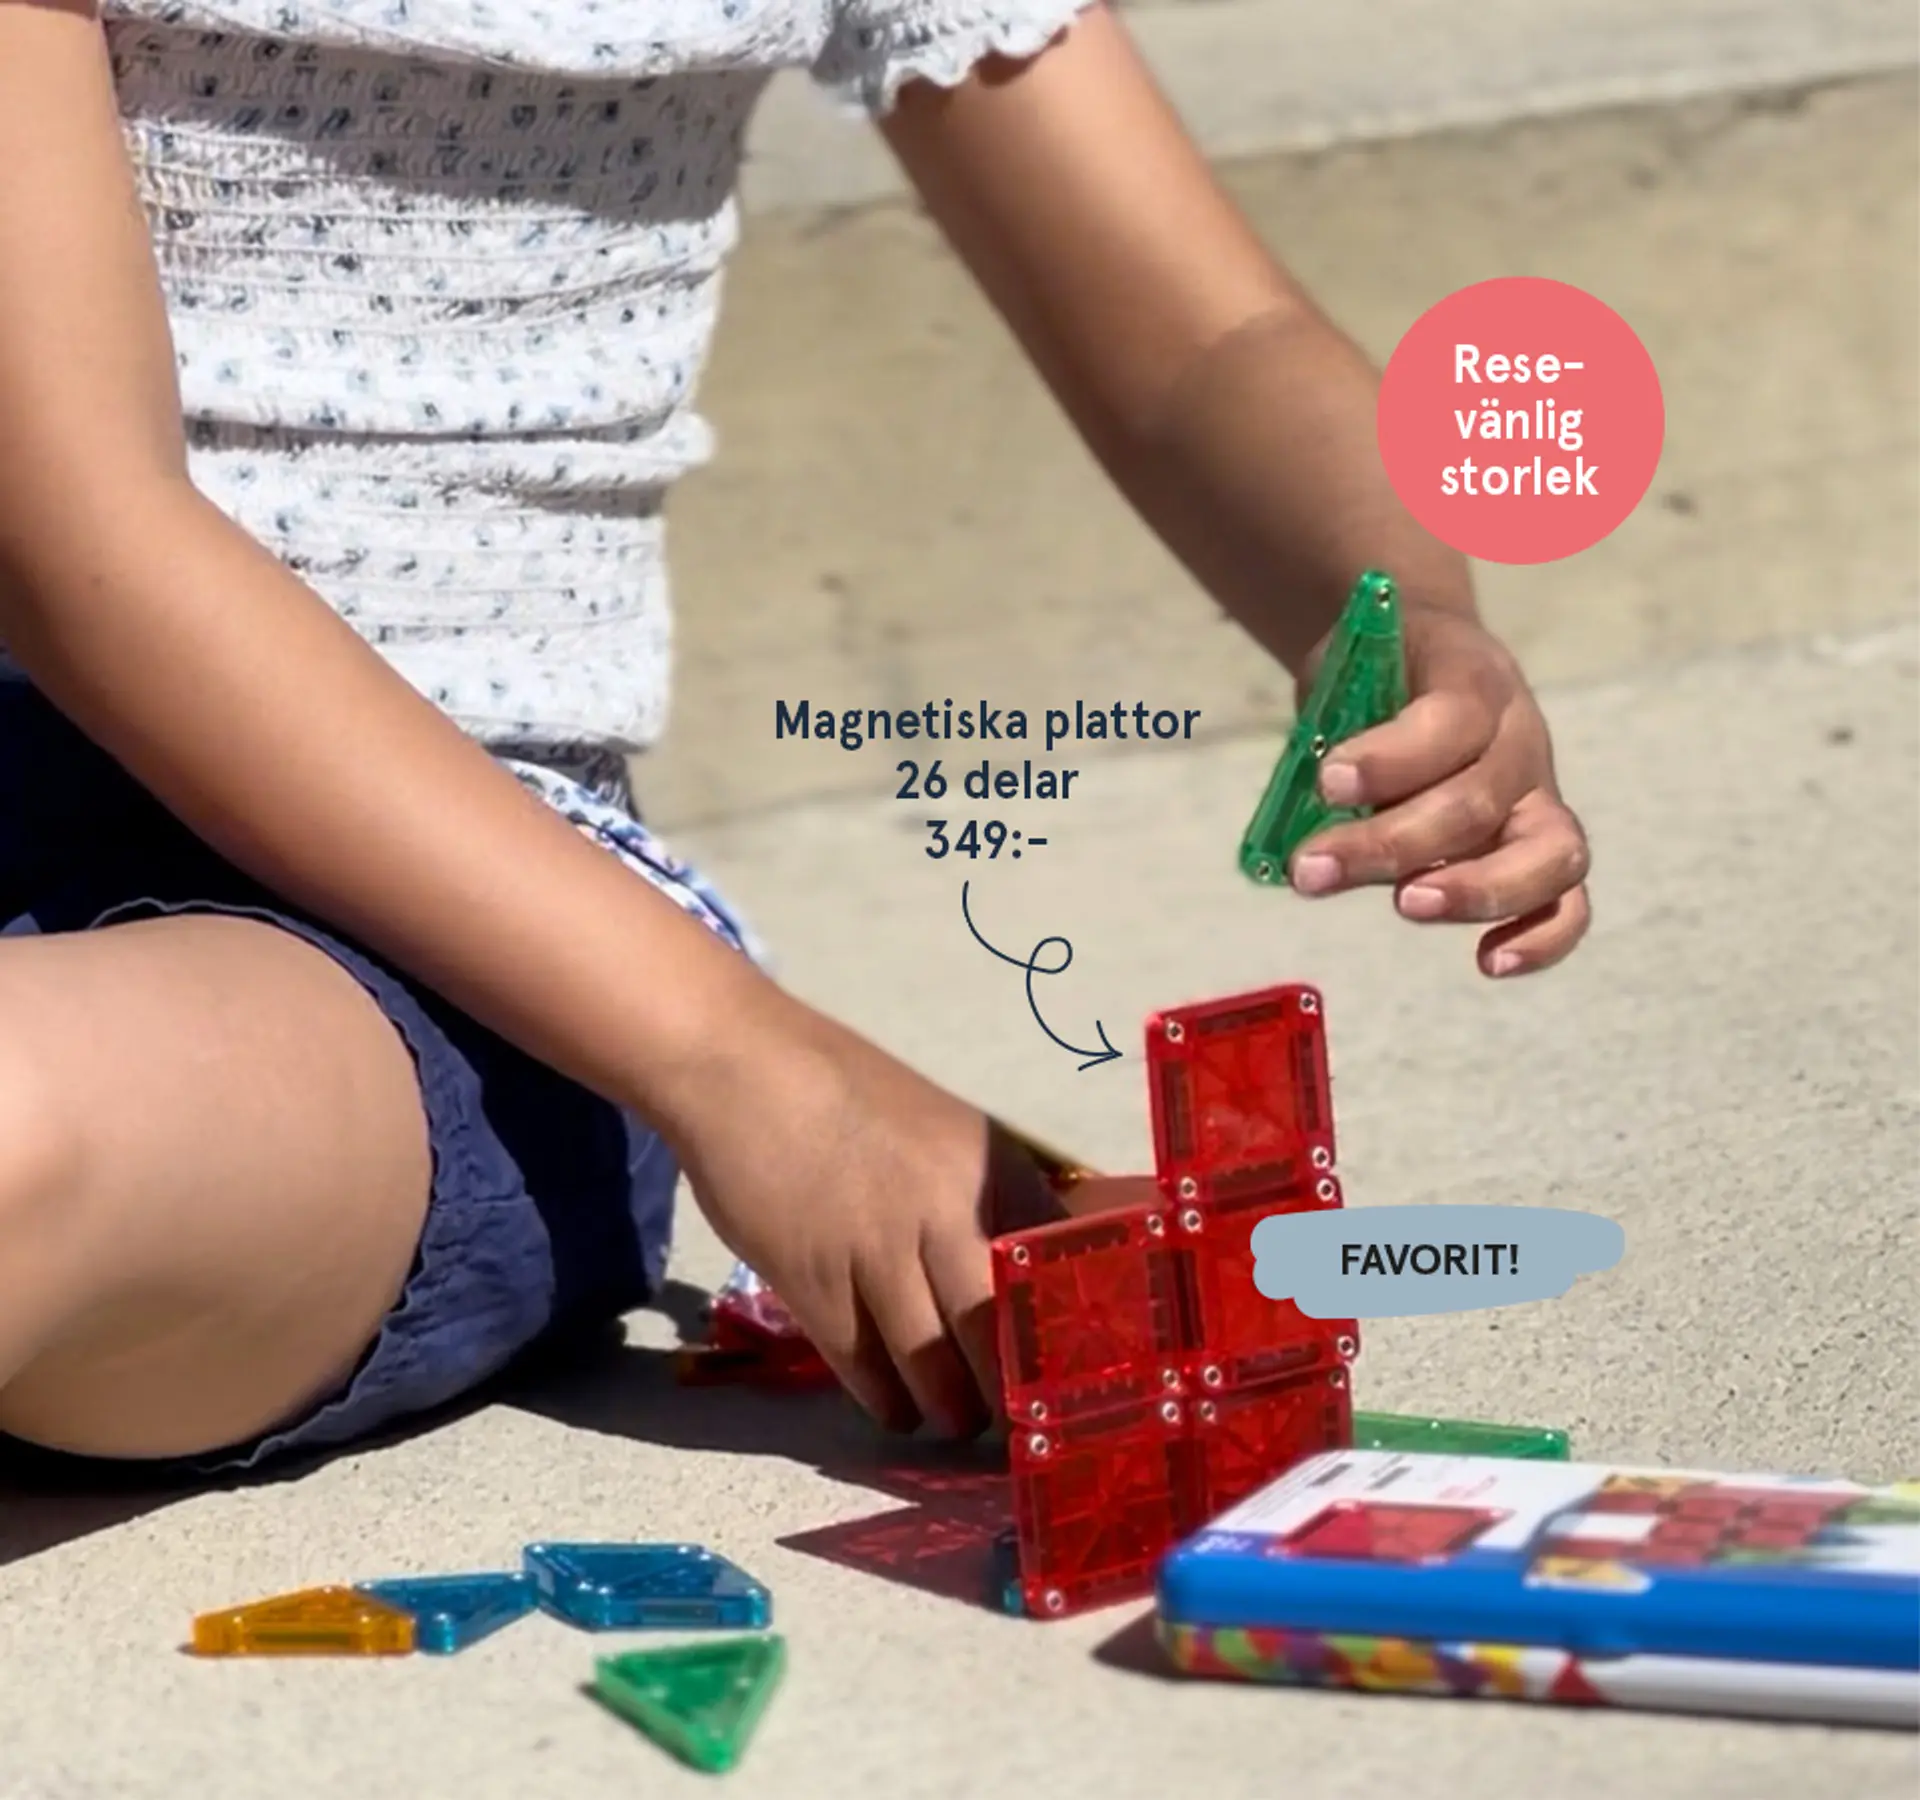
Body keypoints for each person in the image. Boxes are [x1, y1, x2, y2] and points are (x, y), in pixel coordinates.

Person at [0, 0, 1591, 1472]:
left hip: (462, 942)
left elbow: (1206, 341)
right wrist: (752, 1060)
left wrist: (1400, 610)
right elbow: (73, 528)